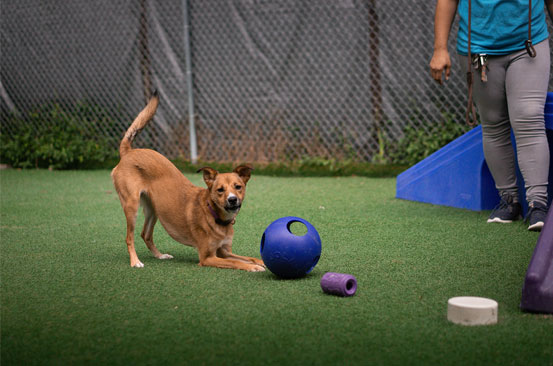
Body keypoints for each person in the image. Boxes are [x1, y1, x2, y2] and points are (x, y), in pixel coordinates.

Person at [430, 0, 553, 231]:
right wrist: (440, 48)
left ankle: (538, 205)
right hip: (478, 49)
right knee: (493, 123)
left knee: (528, 117)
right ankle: (509, 201)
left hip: (528, 43)